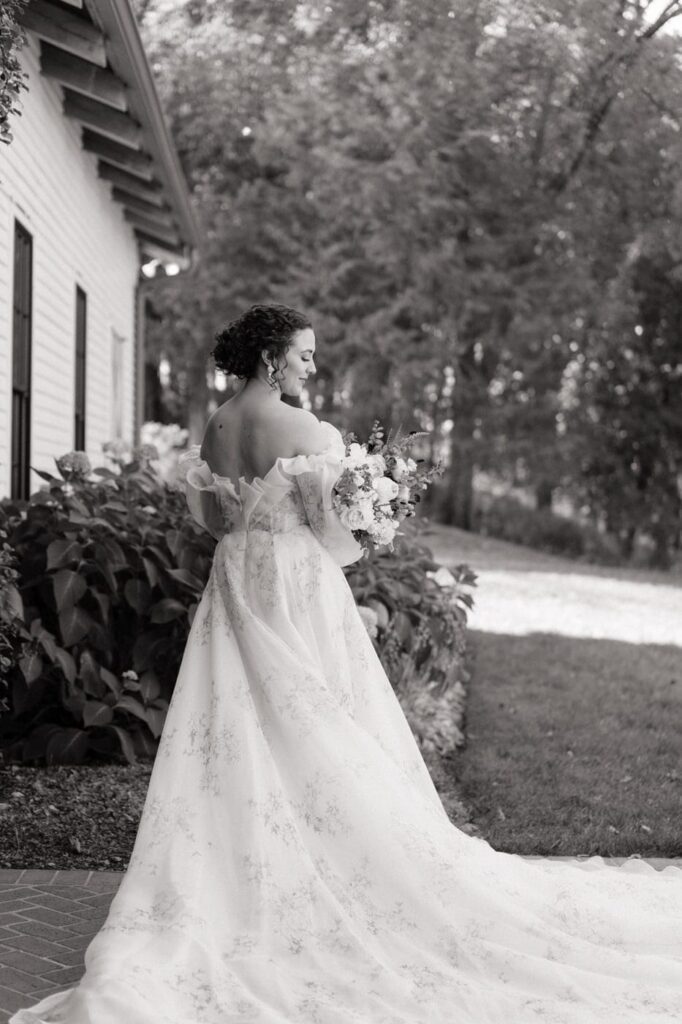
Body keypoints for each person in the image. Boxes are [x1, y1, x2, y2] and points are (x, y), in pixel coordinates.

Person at [12, 303, 682, 1023]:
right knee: (322, 715)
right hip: (296, 587)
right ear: (271, 358)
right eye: (301, 355)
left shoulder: (216, 424)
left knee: (236, 725)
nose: (310, 365)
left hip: (234, 583)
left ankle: (239, 872)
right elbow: (337, 526)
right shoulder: (308, 430)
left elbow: (209, 521)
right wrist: (375, 508)